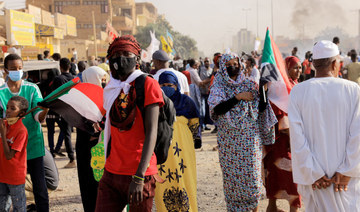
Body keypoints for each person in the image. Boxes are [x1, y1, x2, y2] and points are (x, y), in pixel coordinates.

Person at [288, 40, 360, 211]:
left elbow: (297, 138)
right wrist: (347, 170)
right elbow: (358, 134)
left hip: (316, 182)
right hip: (344, 182)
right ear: (335, 63)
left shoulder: (298, 91)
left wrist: (313, 172)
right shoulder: (353, 89)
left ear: (312, 64)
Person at [95, 35, 162, 212]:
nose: (120, 59)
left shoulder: (148, 84)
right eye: (116, 55)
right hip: (111, 171)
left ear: (137, 59)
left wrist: (139, 177)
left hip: (139, 172)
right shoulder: (111, 87)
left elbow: (152, 131)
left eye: (126, 53)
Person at [208, 52, 276, 211]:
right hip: (229, 144)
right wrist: (237, 97)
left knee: (253, 180)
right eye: (229, 65)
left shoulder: (250, 84)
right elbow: (216, 110)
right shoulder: (218, 86)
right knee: (233, 183)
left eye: (236, 63)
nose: (234, 67)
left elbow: (260, 109)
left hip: (250, 142)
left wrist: (263, 91)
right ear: (223, 67)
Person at [0, 54, 50, 211]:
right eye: (13, 68)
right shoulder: (0, 92)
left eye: (20, 68)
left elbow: (38, 117)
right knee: (7, 190)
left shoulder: (32, 88)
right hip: (10, 150)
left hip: (33, 145)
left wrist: (45, 110)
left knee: (40, 187)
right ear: (5, 70)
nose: (17, 71)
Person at [155, 71, 200, 211]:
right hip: (162, 151)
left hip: (183, 149)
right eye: (163, 85)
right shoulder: (155, 102)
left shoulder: (187, 102)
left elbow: (195, 124)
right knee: (163, 183)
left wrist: (195, 139)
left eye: (170, 85)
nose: (167, 88)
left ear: (177, 86)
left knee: (185, 180)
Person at [263, 56, 302, 212]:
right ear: (286, 69)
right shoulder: (281, 90)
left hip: (291, 140)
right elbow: (283, 121)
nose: (298, 71)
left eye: (300, 67)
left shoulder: (296, 86)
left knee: (283, 179)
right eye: (295, 68)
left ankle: (273, 207)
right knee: (288, 181)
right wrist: (295, 142)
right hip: (282, 143)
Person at [76, 66, 107, 212]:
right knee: (88, 180)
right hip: (86, 145)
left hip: (101, 143)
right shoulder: (81, 96)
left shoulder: (106, 94)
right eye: (101, 79)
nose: (103, 82)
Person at [0, 96, 28, 212]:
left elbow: (9, 155)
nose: (8, 111)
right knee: (2, 206)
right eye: (7, 107)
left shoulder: (21, 130)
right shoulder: (4, 125)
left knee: (19, 207)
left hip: (15, 176)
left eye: (12, 108)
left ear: (21, 113)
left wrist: (3, 134)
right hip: (2, 173)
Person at [52, 58, 76, 168]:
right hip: (74, 109)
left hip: (63, 110)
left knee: (67, 134)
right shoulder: (74, 78)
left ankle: (72, 159)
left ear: (60, 67)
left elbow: (55, 95)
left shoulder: (58, 79)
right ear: (70, 66)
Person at [199, 57, 213, 130]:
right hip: (202, 92)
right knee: (202, 109)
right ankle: (202, 125)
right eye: (205, 62)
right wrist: (204, 84)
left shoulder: (211, 71)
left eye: (207, 61)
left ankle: (206, 124)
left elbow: (211, 79)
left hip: (210, 93)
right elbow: (200, 80)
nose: (206, 63)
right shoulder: (201, 70)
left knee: (208, 110)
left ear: (210, 62)